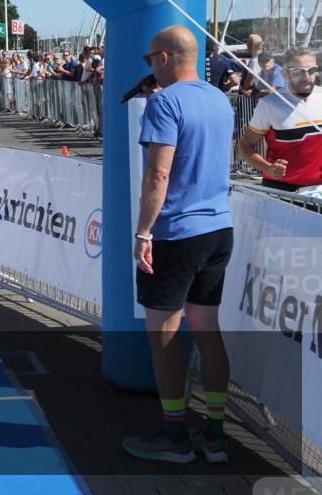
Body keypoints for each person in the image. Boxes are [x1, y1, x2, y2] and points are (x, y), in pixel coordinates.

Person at [123, 25, 234, 464]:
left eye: (150, 59)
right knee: (207, 329)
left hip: (176, 232)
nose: (150, 66)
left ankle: (174, 437)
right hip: (218, 228)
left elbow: (158, 174)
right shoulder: (220, 99)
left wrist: (143, 232)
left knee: (163, 335)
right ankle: (215, 434)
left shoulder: (164, 102)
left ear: (164, 57)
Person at [237, 48, 321, 193]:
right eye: (298, 71)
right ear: (285, 74)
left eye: (312, 70)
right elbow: (245, 145)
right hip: (283, 191)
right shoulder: (270, 103)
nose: (307, 77)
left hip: (319, 190)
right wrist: (268, 168)